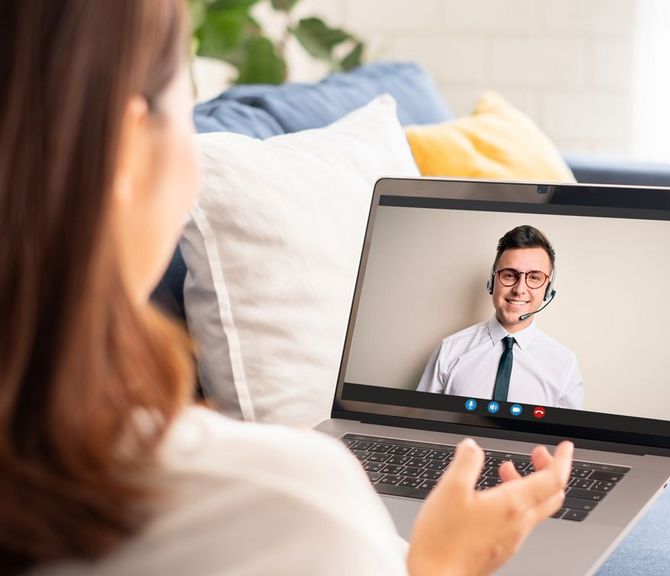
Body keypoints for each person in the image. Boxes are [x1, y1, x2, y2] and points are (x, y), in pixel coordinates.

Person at [0, 2, 573, 574]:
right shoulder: (298, 504)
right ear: (128, 151)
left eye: (534, 278)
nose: (519, 289)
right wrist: (445, 565)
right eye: (185, 105)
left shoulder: (561, 366)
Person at [417, 226, 584, 409]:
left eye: (534, 278)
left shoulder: (565, 365)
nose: (519, 290)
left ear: (548, 289)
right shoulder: (449, 350)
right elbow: (421, 418)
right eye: (510, 275)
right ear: (492, 280)